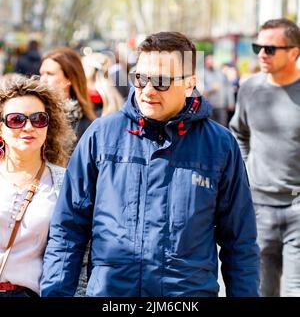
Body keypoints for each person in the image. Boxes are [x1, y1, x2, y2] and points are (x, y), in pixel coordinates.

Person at [40, 31, 259, 297]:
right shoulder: (101, 136)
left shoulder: (220, 145)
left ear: (189, 84)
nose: (148, 90)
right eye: (140, 79)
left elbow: (240, 242)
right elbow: (67, 230)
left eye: (162, 82)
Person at [230, 18, 300, 297]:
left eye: (270, 48)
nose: (261, 54)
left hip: (298, 207)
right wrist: (247, 173)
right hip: (259, 208)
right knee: (260, 290)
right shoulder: (249, 89)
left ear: (294, 52)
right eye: (257, 46)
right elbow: (238, 134)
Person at [0, 75, 75, 297]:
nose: (28, 126)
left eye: (38, 119)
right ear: (1, 128)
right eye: (16, 120)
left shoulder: (64, 180)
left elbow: (76, 252)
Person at [39, 47, 96, 142]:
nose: (42, 80)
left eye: (50, 74)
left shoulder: (87, 124)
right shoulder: (36, 115)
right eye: (41, 74)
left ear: (69, 77)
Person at [203, 55, 235, 127]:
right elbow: (199, 89)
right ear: (205, 63)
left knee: (222, 126)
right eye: (208, 61)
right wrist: (211, 88)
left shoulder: (221, 73)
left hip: (221, 105)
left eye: (212, 61)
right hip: (209, 105)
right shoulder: (202, 73)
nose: (210, 63)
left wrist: (231, 102)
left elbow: (228, 87)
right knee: (210, 127)